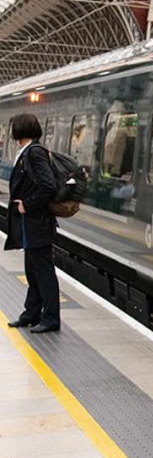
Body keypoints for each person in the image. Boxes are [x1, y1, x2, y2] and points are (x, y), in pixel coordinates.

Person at [4, 113, 60, 333]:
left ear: (19, 130)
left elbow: (48, 187)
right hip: (31, 224)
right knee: (32, 270)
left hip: (36, 223)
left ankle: (51, 318)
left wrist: (26, 204)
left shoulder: (34, 152)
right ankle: (31, 313)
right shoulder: (30, 151)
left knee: (43, 272)